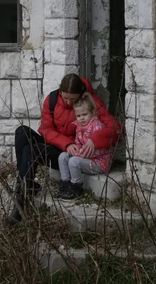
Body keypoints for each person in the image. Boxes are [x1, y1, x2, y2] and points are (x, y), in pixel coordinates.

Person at [11, 73, 120, 221]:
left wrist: (95, 139)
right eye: (65, 97)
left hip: (69, 156)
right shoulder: (53, 99)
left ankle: (21, 199)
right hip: (58, 145)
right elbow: (45, 129)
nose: (68, 102)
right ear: (60, 91)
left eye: (73, 99)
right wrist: (65, 143)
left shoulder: (89, 101)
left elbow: (115, 127)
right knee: (21, 132)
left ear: (80, 95)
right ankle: (24, 185)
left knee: (30, 151)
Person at [56, 92, 114, 200]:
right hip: (85, 158)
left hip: (99, 162)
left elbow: (101, 150)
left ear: (92, 112)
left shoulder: (97, 126)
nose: (81, 118)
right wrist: (75, 149)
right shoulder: (79, 127)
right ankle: (65, 184)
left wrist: (80, 154)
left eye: (84, 114)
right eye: (78, 116)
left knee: (74, 161)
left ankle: (76, 187)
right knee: (63, 156)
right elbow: (79, 143)